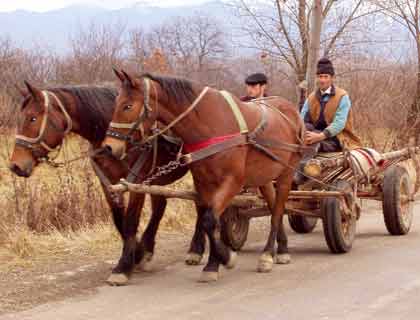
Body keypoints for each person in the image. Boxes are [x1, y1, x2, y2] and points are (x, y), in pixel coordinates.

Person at [295, 57, 362, 184]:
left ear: (332, 78)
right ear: (317, 78)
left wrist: (320, 136)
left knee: (312, 141)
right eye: (320, 76)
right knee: (304, 129)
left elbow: (339, 124)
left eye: (326, 76)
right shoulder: (311, 98)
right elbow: (301, 118)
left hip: (337, 138)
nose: (323, 80)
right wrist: (303, 132)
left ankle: (301, 172)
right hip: (313, 135)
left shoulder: (342, 96)